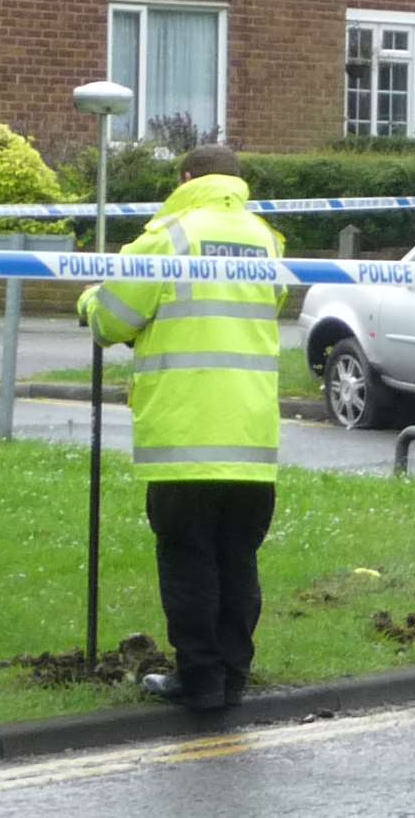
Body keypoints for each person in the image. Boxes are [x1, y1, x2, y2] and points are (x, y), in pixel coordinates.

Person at [77, 144, 284, 711]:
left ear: (187, 178)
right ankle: (235, 673)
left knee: (188, 557)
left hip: (184, 437)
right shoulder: (266, 239)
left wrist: (90, 299)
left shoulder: (167, 237)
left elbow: (113, 318)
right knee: (238, 557)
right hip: (251, 437)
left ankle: (201, 678)